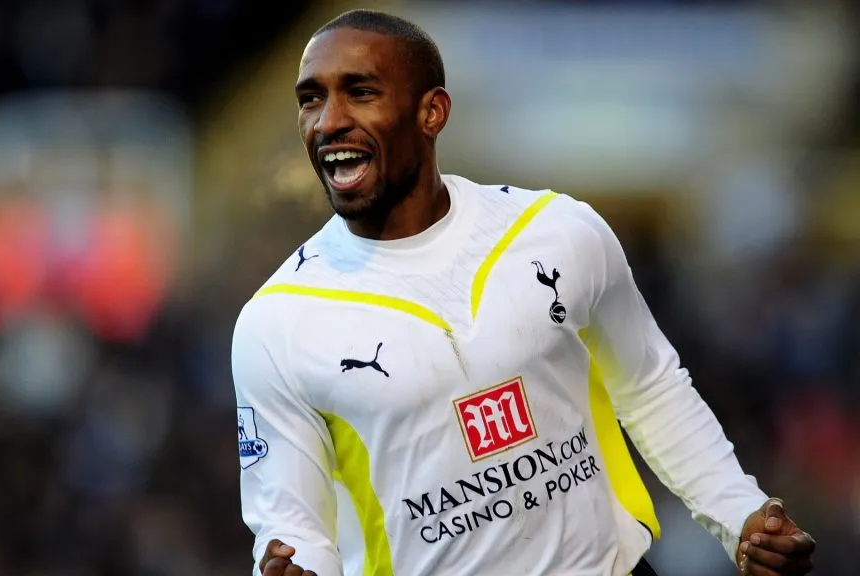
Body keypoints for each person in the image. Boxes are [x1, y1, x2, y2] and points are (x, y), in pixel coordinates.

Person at [231, 9, 816, 576]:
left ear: (432, 111)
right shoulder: (277, 323)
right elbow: (292, 527)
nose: (328, 121)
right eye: (312, 98)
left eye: (359, 92)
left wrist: (739, 514)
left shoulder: (557, 231)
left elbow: (650, 386)